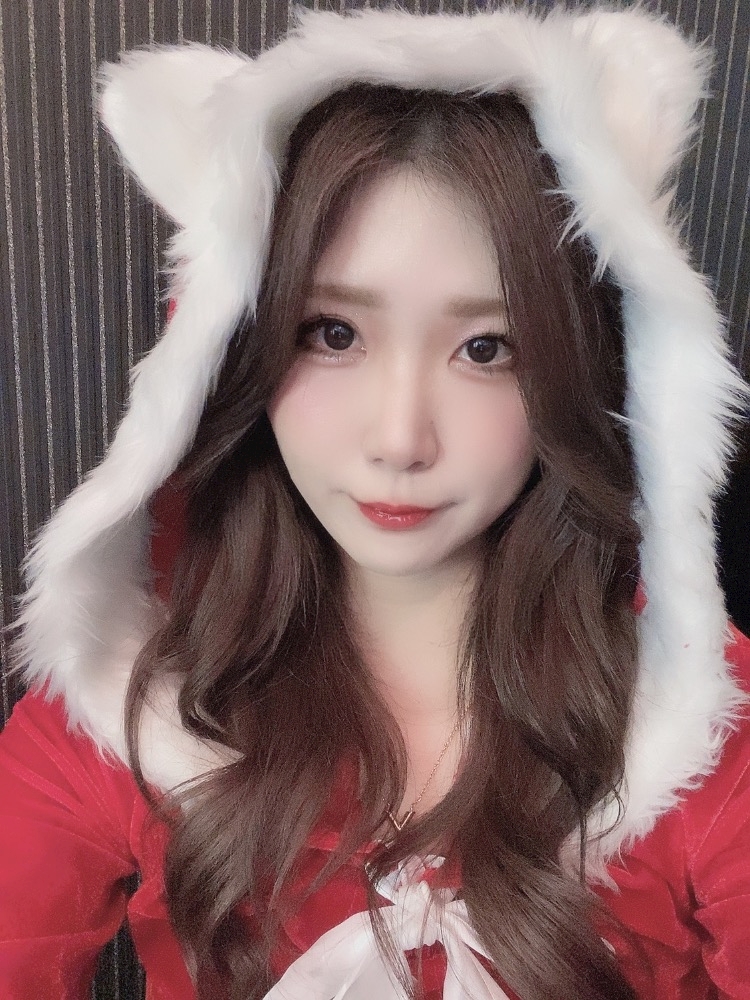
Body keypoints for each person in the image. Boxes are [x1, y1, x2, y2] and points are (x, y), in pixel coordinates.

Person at [1, 5, 749, 999]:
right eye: (333, 334)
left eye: (486, 348)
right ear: (232, 352)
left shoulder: (707, 735)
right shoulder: (121, 714)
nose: (399, 439)